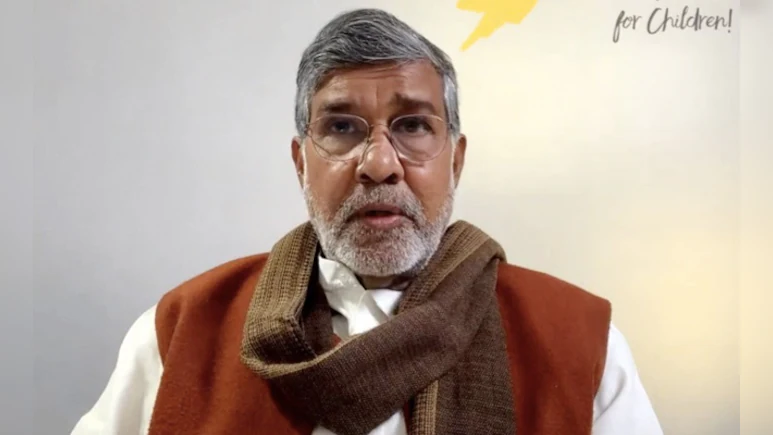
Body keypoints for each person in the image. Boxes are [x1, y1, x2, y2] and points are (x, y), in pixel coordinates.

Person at [71, 8, 663, 435]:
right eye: (341, 127)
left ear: (455, 160)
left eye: (413, 126)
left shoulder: (582, 343)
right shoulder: (179, 333)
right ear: (301, 162)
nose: (379, 164)